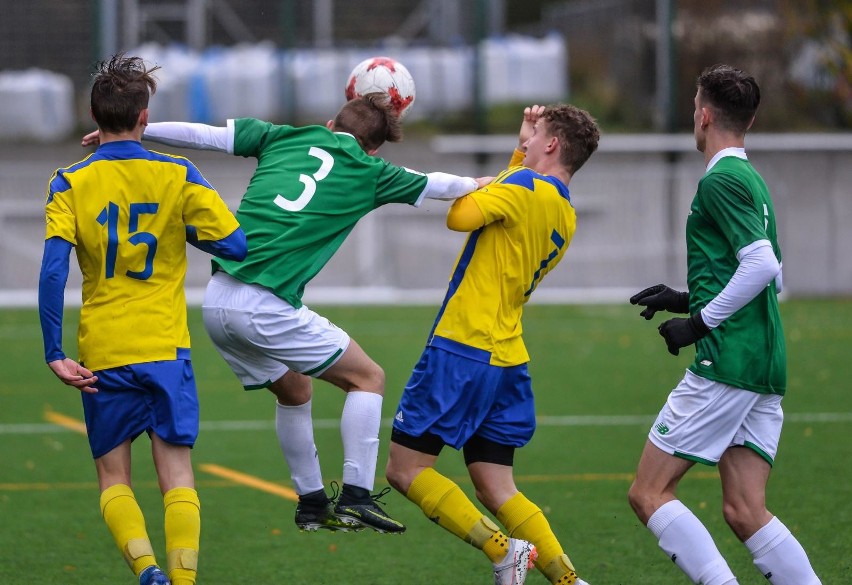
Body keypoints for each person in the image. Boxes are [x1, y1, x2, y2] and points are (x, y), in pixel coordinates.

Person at [83, 93, 487, 534]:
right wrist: (482, 183)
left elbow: (205, 136)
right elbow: (438, 184)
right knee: (368, 377)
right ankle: (356, 496)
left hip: (217, 301)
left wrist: (138, 131)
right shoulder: (371, 170)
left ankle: (312, 502)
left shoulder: (283, 136)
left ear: (330, 121)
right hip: (264, 306)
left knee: (294, 390)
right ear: (373, 147)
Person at [40, 54, 246, 585]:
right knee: (176, 475)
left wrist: (54, 353)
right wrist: (182, 227)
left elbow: (52, 272)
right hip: (164, 348)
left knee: (113, 478)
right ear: (145, 116)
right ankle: (183, 580)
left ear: (93, 114)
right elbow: (236, 244)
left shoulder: (68, 182)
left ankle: (148, 570)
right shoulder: (178, 174)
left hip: (103, 351)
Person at [385, 104, 599, 585]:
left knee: (404, 470)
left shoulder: (522, 185)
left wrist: (487, 180)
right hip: (507, 357)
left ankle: (504, 552)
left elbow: (460, 216)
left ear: (552, 145)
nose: (527, 138)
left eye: (535, 133)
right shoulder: (566, 214)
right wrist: (515, 155)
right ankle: (568, 580)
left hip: (462, 347)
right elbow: (510, 204)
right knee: (496, 485)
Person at [626, 64, 822, 585]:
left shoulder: (722, 180)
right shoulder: (751, 180)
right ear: (750, 121)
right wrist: (684, 299)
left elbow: (763, 267)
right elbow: (767, 280)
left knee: (648, 493)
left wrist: (699, 322)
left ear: (705, 115)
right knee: (744, 510)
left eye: (694, 107)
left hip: (729, 359)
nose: (694, 115)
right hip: (764, 359)